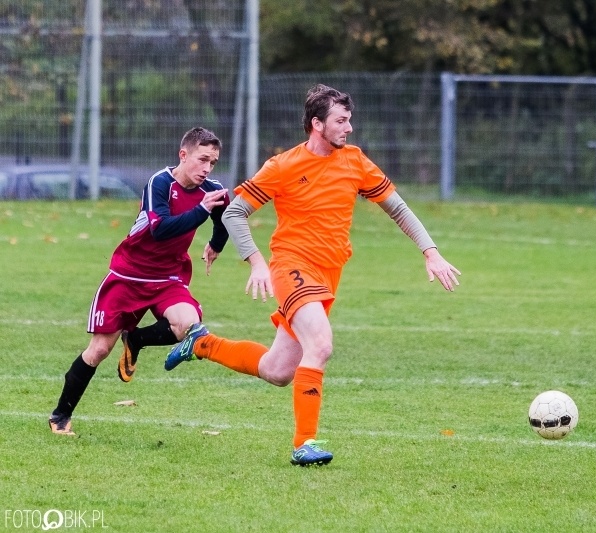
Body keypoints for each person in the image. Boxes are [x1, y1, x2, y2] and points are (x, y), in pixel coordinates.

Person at [163, 84, 461, 466]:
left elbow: (398, 209)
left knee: (278, 370)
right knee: (320, 344)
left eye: (349, 120)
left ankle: (202, 344)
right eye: (341, 120)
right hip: (291, 267)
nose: (349, 128)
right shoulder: (283, 165)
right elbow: (235, 212)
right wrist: (256, 261)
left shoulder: (355, 161)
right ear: (316, 124)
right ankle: (305, 444)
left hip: (328, 274)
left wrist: (430, 252)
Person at [48, 127, 230, 435]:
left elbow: (223, 217)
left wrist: (216, 244)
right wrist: (201, 211)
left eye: (212, 162)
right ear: (183, 155)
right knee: (99, 351)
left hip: (168, 278)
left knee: (190, 324)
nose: (207, 169)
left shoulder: (211, 190)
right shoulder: (159, 182)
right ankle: (60, 415)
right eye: (202, 160)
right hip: (128, 275)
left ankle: (137, 339)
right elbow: (160, 228)